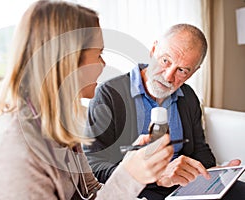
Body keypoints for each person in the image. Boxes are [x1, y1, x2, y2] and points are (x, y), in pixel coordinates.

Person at [0, 1, 174, 199]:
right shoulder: (12, 153)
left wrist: (135, 167)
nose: (104, 64)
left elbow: (91, 193)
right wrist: (129, 176)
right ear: (69, 62)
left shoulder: (56, 126)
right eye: (99, 53)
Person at [84, 23, 245, 199]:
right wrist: (156, 177)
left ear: (193, 72)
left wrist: (209, 173)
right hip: (139, 191)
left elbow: (201, 150)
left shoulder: (188, 96)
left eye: (182, 70)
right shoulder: (109, 94)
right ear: (153, 50)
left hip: (184, 188)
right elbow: (93, 164)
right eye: (165, 60)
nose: (168, 76)